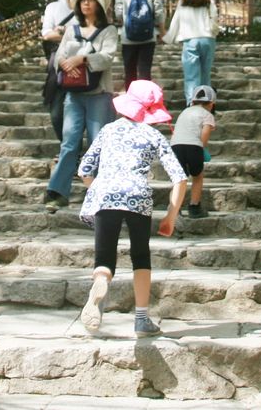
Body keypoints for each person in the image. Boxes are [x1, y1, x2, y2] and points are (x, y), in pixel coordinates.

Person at [77, 79, 187, 338]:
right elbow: (180, 178)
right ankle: (141, 319)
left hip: (106, 194)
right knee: (140, 256)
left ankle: (101, 280)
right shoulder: (153, 135)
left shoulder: (108, 130)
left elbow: (84, 170)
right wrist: (170, 216)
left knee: (104, 258)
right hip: (138, 196)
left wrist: (99, 188)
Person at [43, 0, 118, 212]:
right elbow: (59, 57)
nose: (86, 3)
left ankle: (102, 192)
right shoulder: (71, 29)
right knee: (69, 142)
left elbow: (107, 57)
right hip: (73, 94)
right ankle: (57, 192)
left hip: (99, 95)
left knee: (98, 143)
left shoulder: (109, 31)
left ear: (100, 4)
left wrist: (82, 60)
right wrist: (67, 64)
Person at [41, 0, 86, 141]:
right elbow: (47, 34)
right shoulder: (53, 7)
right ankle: (66, 144)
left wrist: (62, 32)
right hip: (58, 63)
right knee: (56, 112)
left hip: (82, 61)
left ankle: (73, 147)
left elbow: (93, 34)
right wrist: (73, 34)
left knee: (80, 108)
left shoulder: (87, 8)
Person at [161, 0, 220, 105]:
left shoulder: (184, 1)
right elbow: (215, 19)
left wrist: (168, 38)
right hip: (207, 39)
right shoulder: (208, 0)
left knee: (191, 76)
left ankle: (191, 103)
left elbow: (176, 21)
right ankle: (206, 103)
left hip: (190, 40)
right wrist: (214, 32)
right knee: (205, 74)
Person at [114, 0, 165, 87]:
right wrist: (162, 30)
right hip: (148, 37)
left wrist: (126, 21)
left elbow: (118, 14)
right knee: (145, 72)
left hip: (128, 38)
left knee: (129, 72)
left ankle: (130, 97)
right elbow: (159, 12)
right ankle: (145, 98)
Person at [171, 85, 216, 218]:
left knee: (179, 178)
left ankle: (174, 207)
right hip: (194, 146)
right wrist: (202, 149)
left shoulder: (184, 112)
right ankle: (194, 207)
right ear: (211, 104)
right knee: (197, 176)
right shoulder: (207, 115)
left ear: (193, 101)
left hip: (175, 146)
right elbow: (204, 135)